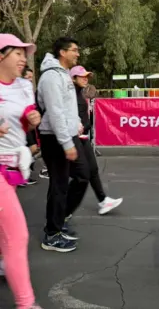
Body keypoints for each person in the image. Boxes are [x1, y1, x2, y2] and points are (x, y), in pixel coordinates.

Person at [0, 34, 44, 308]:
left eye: (24, 53)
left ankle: (6, 264)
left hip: (13, 166)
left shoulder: (24, 87)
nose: (23, 58)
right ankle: (26, 304)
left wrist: (32, 118)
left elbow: (26, 117)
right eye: (17, 52)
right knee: (17, 235)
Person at [37, 37, 87, 253]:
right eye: (74, 50)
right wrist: (66, 142)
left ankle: (59, 218)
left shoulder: (63, 75)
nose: (78, 54)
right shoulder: (50, 77)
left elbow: (68, 108)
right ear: (62, 52)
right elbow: (55, 111)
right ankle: (52, 233)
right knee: (59, 184)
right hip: (54, 137)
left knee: (83, 175)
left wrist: (76, 125)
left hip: (66, 134)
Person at [71, 66, 123, 214]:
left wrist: (86, 125)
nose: (85, 78)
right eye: (82, 76)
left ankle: (103, 201)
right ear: (73, 78)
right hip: (72, 139)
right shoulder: (70, 95)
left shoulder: (80, 93)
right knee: (77, 176)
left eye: (87, 76)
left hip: (82, 137)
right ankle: (62, 210)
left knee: (92, 169)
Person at [19, 66, 38, 186]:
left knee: (32, 148)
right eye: (28, 77)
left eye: (31, 77)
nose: (30, 79)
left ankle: (23, 172)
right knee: (31, 148)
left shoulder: (29, 90)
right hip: (19, 125)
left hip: (28, 125)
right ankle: (21, 174)